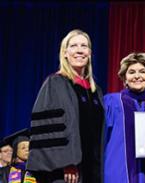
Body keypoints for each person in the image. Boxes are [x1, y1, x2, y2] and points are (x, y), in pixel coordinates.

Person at [26, 29, 104, 183]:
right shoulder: (55, 83)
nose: (80, 50)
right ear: (65, 53)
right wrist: (66, 162)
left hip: (93, 169)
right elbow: (48, 128)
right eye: (74, 46)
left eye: (84, 46)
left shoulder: (96, 91)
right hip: (67, 172)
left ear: (89, 53)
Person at [104, 52, 145, 183]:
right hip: (118, 173)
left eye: (142, 71)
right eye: (131, 72)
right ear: (124, 77)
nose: (137, 76)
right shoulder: (111, 102)